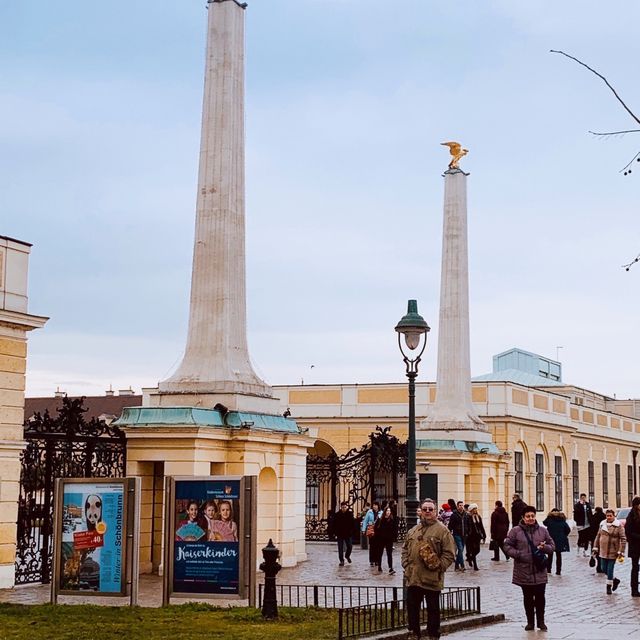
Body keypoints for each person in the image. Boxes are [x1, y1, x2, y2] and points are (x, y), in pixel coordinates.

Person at [402, 498, 456, 640]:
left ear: (436, 511)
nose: (427, 512)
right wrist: (406, 566)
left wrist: (439, 567)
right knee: (412, 608)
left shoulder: (442, 531)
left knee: (433, 609)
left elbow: (449, 554)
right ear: (420, 511)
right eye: (425, 509)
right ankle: (414, 633)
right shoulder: (414, 530)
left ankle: (433, 635)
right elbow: (405, 549)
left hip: (432, 578)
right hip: (414, 577)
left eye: (430, 509)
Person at [504, 505, 555, 631]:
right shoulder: (515, 531)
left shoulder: (543, 530)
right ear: (523, 517)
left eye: (532, 516)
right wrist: (518, 555)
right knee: (527, 598)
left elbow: (552, 545)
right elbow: (507, 546)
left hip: (539, 570)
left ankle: (541, 622)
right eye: (528, 516)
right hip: (524, 570)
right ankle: (530, 622)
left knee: (540, 598)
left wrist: (545, 548)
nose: (530, 518)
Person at [593, 508, 626, 594]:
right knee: (603, 568)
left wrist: (621, 551)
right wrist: (595, 547)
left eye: (610, 516)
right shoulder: (602, 524)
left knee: (610, 569)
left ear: (614, 516)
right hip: (603, 550)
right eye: (607, 516)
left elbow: (623, 538)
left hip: (613, 550)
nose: (609, 517)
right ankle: (615, 580)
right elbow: (598, 536)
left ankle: (608, 587)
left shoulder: (618, 525)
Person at [542, 508, 570, 575]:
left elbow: (544, 522)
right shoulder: (562, 520)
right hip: (559, 540)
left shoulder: (549, 520)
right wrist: (563, 535)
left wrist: (549, 516)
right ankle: (558, 571)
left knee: (550, 555)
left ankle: (549, 570)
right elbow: (568, 529)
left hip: (551, 539)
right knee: (558, 555)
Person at [624, 496, 640, 597]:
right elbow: (628, 532)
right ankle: (634, 589)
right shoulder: (631, 516)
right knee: (635, 567)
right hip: (635, 546)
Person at [374, 506, 397, 574]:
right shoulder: (381, 520)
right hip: (381, 539)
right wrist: (378, 537)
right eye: (387, 511)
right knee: (380, 553)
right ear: (385, 512)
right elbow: (376, 528)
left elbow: (394, 529)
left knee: (389, 553)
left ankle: (390, 568)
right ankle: (379, 566)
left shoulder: (392, 520)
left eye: (389, 511)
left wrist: (393, 537)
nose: (388, 512)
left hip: (389, 539)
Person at [448, 500, 469, 572]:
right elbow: (450, 525)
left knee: (461, 550)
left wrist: (468, 531)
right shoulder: (454, 515)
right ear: (457, 506)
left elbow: (467, 524)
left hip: (464, 534)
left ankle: (456, 565)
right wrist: (449, 531)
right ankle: (462, 565)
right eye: (460, 505)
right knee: (460, 549)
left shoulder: (466, 514)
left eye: (462, 505)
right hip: (457, 534)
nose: (461, 507)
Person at [333, 501, 355, 566]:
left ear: (347, 507)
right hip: (340, 534)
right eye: (343, 507)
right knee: (340, 548)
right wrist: (335, 533)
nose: (344, 508)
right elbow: (334, 524)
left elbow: (353, 524)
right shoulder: (337, 515)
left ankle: (347, 556)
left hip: (348, 534)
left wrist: (352, 532)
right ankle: (341, 560)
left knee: (350, 546)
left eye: (345, 507)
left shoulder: (350, 514)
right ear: (341, 507)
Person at [465, 504, 486, 570]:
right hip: (470, 536)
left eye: (476, 509)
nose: (475, 510)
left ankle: (470, 558)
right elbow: (466, 526)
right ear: (471, 510)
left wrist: (484, 535)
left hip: (477, 536)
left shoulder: (478, 517)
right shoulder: (468, 517)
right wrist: (467, 533)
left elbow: (481, 526)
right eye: (474, 509)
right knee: (473, 550)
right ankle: (475, 566)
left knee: (477, 550)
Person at [362, 502, 381, 566]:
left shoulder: (381, 512)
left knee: (378, 546)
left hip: (378, 531)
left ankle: (377, 560)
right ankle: (372, 560)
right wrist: (363, 530)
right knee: (372, 545)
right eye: (374, 505)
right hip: (371, 529)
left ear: (378, 506)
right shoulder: (369, 512)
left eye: (376, 505)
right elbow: (365, 521)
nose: (375, 506)